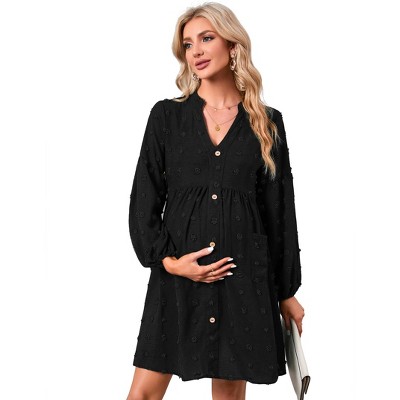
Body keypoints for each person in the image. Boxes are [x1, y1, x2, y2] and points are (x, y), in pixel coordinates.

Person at [126, 2, 305, 399]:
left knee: (228, 396)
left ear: (232, 45)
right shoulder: (166, 118)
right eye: (189, 44)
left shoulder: (267, 122)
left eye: (206, 38)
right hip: (176, 280)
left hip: (242, 279)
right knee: (143, 393)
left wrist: (287, 293)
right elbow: (143, 201)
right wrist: (171, 263)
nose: (197, 51)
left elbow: (279, 214)